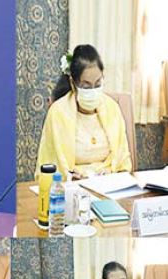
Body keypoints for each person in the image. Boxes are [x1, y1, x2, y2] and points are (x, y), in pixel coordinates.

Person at [36, 44, 132, 180]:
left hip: (108, 183)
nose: (93, 90)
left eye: (97, 84)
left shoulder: (112, 109)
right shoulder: (58, 113)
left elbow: (123, 161)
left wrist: (110, 173)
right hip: (72, 186)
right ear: (73, 83)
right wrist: (70, 177)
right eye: (86, 86)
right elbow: (50, 165)